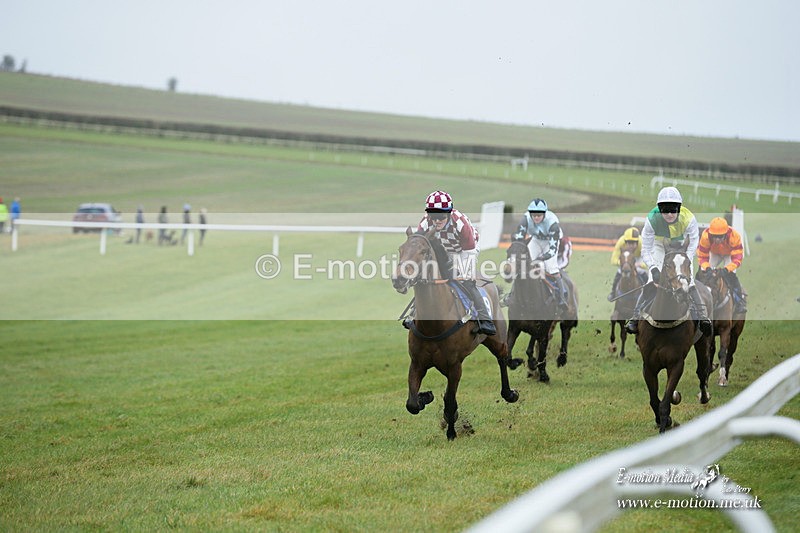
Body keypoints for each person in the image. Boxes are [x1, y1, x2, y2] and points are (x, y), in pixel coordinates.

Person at [626, 186, 712, 335]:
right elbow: (646, 249)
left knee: (689, 281)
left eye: (673, 209)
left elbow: (693, 243)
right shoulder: (652, 219)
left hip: (681, 248)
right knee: (650, 281)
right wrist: (653, 268)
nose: (670, 214)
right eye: (665, 210)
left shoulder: (689, 218)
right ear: (660, 209)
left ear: (679, 208)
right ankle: (634, 318)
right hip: (659, 246)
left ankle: (703, 317)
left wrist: (687, 260)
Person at [416, 190, 496, 336]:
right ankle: (414, 314)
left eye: (441, 216)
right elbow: (419, 244)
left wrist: (465, 272)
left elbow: (469, 249)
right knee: (425, 279)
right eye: (433, 216)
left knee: (466, 280)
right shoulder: (425, 222)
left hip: (466, 249)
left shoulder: (460, 222)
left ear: (448, 213)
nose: (437, 220)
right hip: (444, 250)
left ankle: (485, 320)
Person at [512, 197, 569, 315]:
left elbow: (552, 250)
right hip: (536, 240)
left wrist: (541, 258)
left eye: (539, 215)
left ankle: (562, 297)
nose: (536, 217)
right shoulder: (526, 218)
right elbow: (519, 238)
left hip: (551, 241)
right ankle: (512, 295)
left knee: (551, 267)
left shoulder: (553, 223)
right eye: (534, 215)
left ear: (544, 213)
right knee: (523, 264)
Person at [697, 216, 747, 313]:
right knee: (702, 273)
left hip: (730, 254)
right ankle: (695, 298)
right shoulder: (705, 236)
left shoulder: (734, 236)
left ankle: (739, 301)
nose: (717, 239)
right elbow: (702, 257)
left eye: (720, 237)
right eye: (714, 236)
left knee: (731, 275)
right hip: (715, 253)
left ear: (726, 233)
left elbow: (737, 259)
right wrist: (707, 268)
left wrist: (726, 269)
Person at [608, 226, 647, 300]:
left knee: (641, 271)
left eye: (633, 243)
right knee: (619, 271)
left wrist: (639, 265)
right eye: (629, 243)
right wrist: (625, 263)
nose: (631, 246)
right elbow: (613, 260)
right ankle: (613, 292)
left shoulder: (642, 244)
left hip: (638, 258)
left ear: (637, 242)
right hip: (625, 260)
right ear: (625, 242)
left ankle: (649, 293)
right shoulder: (620, 242)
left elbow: (648, 262)